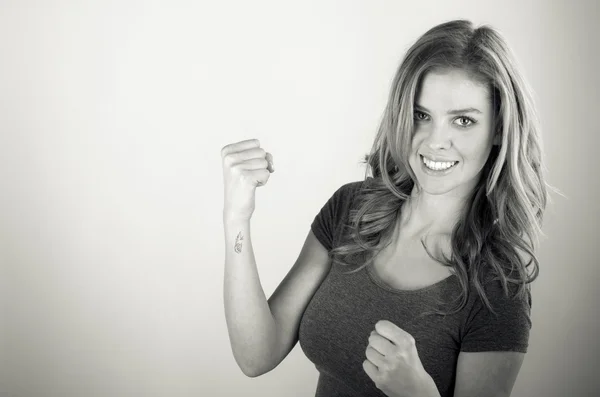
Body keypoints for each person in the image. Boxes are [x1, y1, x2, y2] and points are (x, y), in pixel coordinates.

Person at [220, 19, 549, 397]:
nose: (435, 141)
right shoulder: (350, 209)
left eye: (463, 121)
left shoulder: (497, 288)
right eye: (421, 115)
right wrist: (236, 218)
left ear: (498, 129)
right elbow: (256, 354)